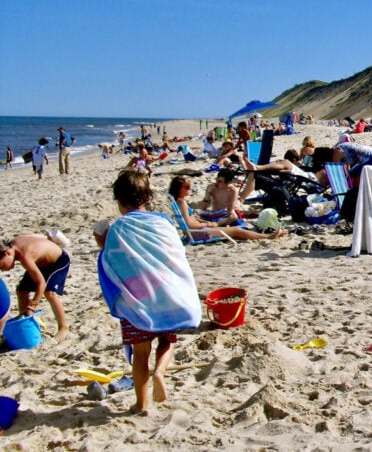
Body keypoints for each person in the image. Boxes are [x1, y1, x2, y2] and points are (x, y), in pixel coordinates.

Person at [96, 169, 201, 415]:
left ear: (120, 202)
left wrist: (101, 242)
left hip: (137, 301)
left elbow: (111, 260)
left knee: (141, 354)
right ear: (148, 198)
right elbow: (173, 254)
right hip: (166, 295)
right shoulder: (162, 222)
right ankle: (160, 373)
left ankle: (142, 404)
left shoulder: (118, 228)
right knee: (167, 340)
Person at [0, 232, 71, 339]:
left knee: (49, 292)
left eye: (1, 265)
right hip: (39, 262)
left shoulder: (25, 256)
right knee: (21, 291)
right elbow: (37, 236)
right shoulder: (13, 243)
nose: (2, 269)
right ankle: (25, 323)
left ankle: (63, 328)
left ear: (7, 253)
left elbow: (41, 283)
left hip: (58, 261)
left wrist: (32, 307)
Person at [169, 175, 285, 240]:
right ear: (178, 188)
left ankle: (265, 236)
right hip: (195, 234)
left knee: (234, 231)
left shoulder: (179, 201)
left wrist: (205, 222)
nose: (190, 188)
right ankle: (268, 236)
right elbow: (189, 225)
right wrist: (208, 224)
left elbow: (190, 219)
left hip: (193, 232)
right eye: (187, 187)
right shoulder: (182, 202)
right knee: (236, 230)